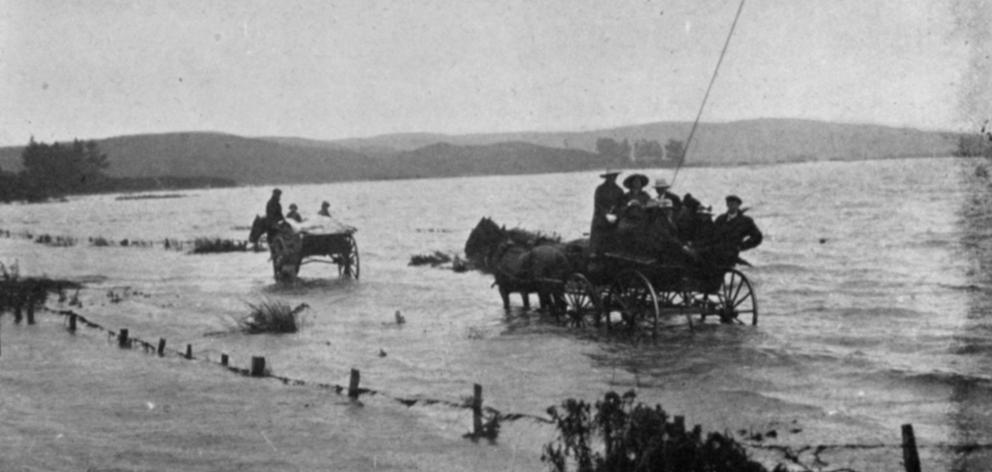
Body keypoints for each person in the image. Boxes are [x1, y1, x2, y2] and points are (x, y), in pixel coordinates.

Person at [703, 195, 762, 267]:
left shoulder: (745, 221)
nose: (731, 206)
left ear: (738, 205)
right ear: (727, 205)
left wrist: (741, 246)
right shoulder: (720, 219)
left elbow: (757, 236)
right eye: (729, 203)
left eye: (734, 204)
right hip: (715, 253)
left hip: (731, 255)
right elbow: (711, 235)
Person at [589, 170, 624, 256]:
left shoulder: (619, 190)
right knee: (597, 231)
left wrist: (616, 215)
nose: (613, 178)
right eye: (610, 177)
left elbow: (621, 205)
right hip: (601, 216)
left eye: (614, 176)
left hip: (615, 217)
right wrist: (606, 214)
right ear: (607, 178)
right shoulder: (600, 189)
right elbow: (598, 204)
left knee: (619, 231)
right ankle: (593, 252)